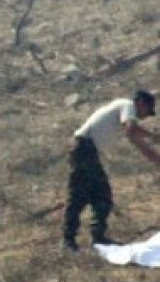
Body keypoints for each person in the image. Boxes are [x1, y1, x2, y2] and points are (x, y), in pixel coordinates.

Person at [63, 89, 160, 251]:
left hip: (87, 150)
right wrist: (155, 158)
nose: (145, 116)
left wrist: (152, 137)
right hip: (84, 149)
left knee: (102, 196)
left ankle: (98, 238)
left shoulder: (123, 108)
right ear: (141, 103)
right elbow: (131, 131)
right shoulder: (127, 105)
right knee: (78, 196)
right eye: (147, 111)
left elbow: (135, 130)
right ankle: (68, 240)